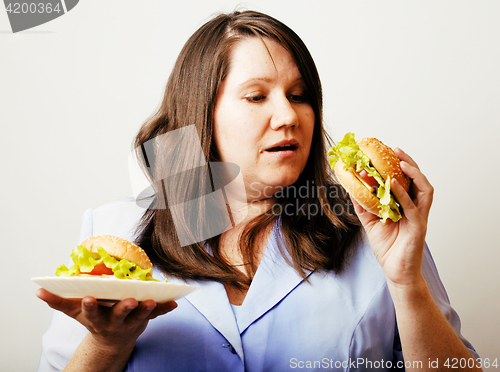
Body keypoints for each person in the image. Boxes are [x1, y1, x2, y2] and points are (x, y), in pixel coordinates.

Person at [36, 10, 481, 372]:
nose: (288, 115)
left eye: (300, 94)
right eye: (256, 97)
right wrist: (107, 344)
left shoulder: (379, 232)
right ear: (201, 113)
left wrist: (408, 284)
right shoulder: (114, 237)